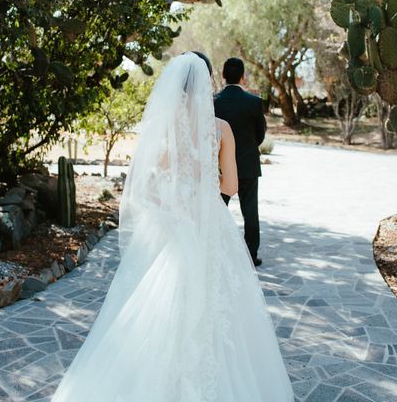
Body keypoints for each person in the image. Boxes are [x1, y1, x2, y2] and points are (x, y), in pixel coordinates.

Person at [51, 52, 293, 402]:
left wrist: (174, 206)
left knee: (161, 300)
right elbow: (231, 188)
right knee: (224, 302)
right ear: (209, 81)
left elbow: (148, 187)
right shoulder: (220, 128)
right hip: (210, 223)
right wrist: (205, 187)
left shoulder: (165, 126)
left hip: (176, 226)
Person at [214, 58, 266, 267]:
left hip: (219, 168)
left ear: (224, 75)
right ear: (243, 76)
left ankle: (214, 250)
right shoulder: (254, 102)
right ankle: (251, 255)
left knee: (217, 210)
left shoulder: (213, 101)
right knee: (250, 211)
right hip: (247, 165)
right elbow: (260, 136)